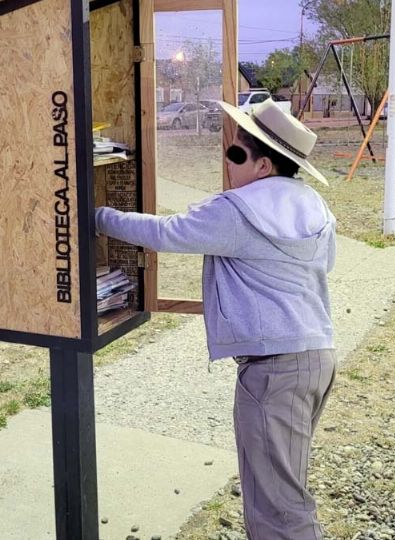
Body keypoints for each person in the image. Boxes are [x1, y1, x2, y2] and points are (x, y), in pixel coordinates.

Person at [95, 99, 337, 540]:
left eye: (235, 154)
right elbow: (327, 265)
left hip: (273, 368)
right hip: (317, 356)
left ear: (263, 166)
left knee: (276, 508)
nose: (228, 162)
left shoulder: (238, 210)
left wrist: (97, 216)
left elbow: (164, 233)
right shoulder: (316, 207)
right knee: (286, 488)